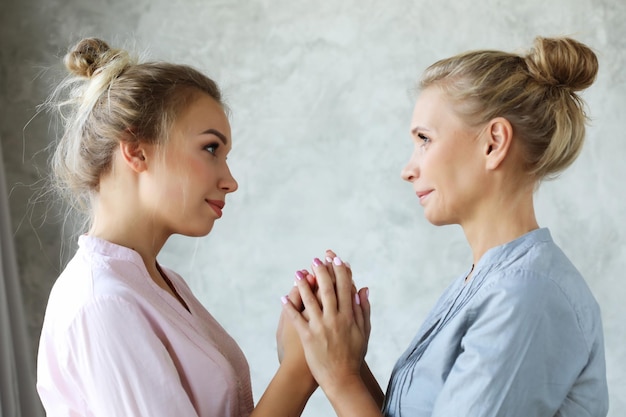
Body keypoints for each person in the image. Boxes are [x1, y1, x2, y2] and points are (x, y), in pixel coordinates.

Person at [282, 36, 609, 417]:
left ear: (494, 143)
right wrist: (346, 358)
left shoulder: (525, 295)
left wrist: (339, 377)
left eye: (424, 139)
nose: (408, 170)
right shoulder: (484, 283)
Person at [36, 37, 319, 417]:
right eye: (210, 149)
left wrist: (296, 349)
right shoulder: (103, 301)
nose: (230, 181)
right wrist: (300, 370)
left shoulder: (160, 282)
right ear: (135, 150)